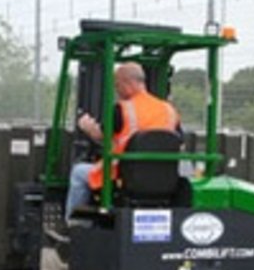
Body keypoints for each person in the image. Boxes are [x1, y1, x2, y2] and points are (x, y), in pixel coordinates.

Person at [65, 62, 180, 222]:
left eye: (117, 85)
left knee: (78, 173)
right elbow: (178, 142)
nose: (117, 90)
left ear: (128, 83)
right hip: (164, 179)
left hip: (125, 176)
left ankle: (74, 225)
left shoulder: (122, 109)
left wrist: (87, 127)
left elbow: (102, 136)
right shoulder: (169, 110)